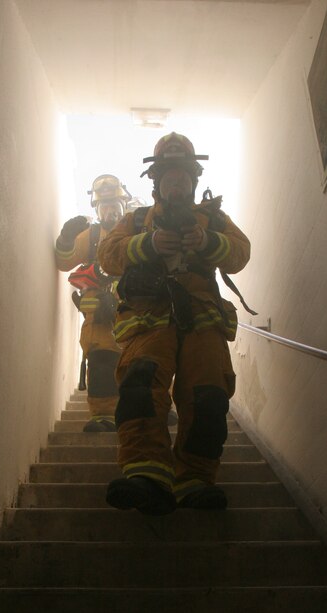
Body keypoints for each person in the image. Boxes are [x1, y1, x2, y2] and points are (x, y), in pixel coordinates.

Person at [97, 132, 251, 513]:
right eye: (169, 177)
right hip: (149, 319)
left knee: (208, 395)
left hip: (203, 319)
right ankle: (147, 477)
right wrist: (146, 245)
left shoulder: (213, 219)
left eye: (183, 177)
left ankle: (195, 480)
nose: (177, 183)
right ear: (157, 184)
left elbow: (240, 252)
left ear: (194, 183)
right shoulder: (135, 221)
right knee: (139, 388)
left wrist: (206, 241)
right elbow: (107, 255)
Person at [55, 175, 131, 432]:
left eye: (115, 204)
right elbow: (65, 262)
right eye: (105, 205)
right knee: (101, 361)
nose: (111, 210)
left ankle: (150, 412)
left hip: (135, 309)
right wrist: (66, 240)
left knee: (144, 357)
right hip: (99, 314)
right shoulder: (93, 235)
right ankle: (103, 416)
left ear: (124, 204)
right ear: (97, 209)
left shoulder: (136, 231)